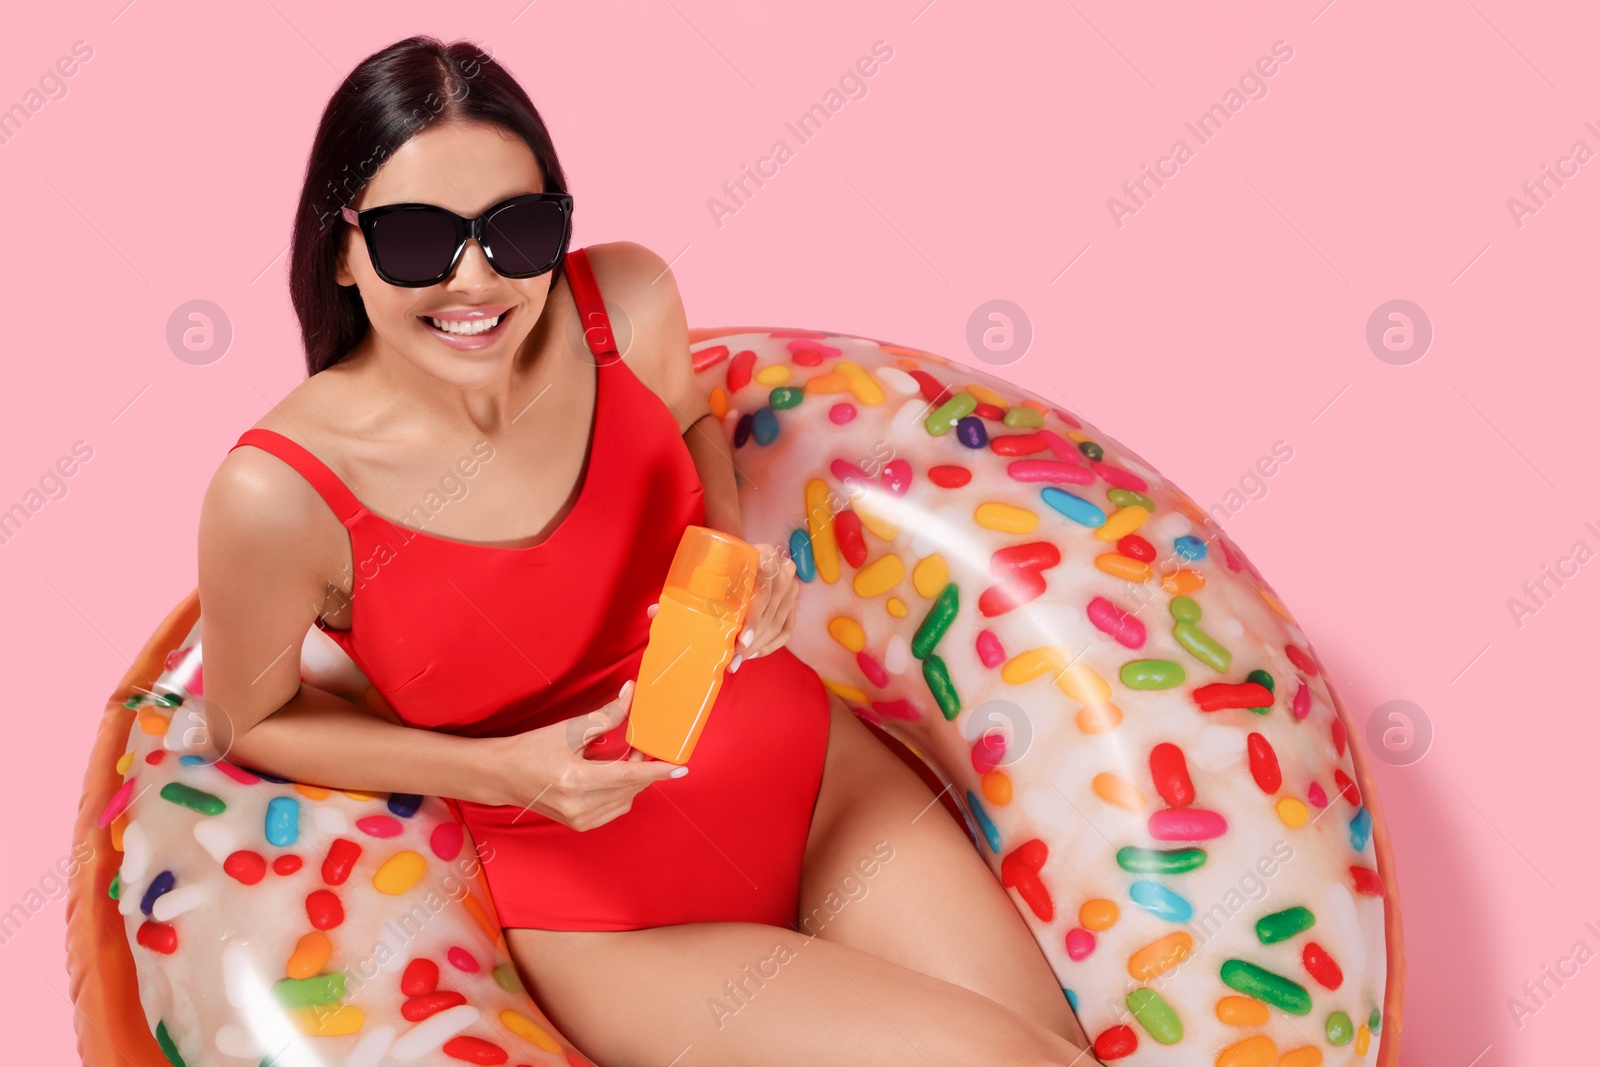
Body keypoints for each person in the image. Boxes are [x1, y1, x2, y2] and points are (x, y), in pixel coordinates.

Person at [198, 34, 1100, 1067]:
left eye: (518, 230)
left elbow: (688, 426)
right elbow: (251, 716)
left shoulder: (621, 302)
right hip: (608, 909)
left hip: (812, 783)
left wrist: (726, 555)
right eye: (417, 241)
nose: (476, 280)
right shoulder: (276, 493)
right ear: (344, 246)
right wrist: (495, 771)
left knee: (1051, 1055)